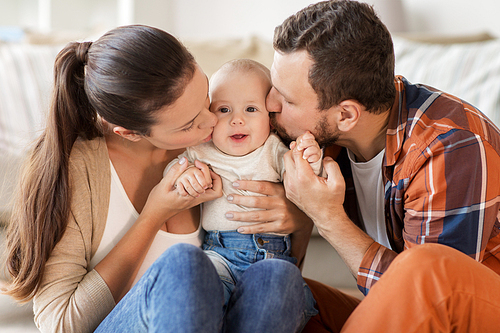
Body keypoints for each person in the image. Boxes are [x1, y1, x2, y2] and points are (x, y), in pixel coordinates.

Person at [2, 25, 316, 333]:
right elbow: (60, 324)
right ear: (130, 133)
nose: (211, 121)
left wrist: (299, 221)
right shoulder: (74, 171)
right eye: (189, 123)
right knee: (185, 265)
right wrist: (154, 215)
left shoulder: (229, 145)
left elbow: (269, 296)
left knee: (278, 276)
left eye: (205, 97)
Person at [264, 0, 500, 332]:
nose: (269, 103)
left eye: (287, 99)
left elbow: (427, 301)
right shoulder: (320, 139)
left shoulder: (450, 147)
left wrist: (326, 216)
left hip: (476, 315)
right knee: (274, 288)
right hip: (401, 309)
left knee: (425, 268)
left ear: (346, 115)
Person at [166, 59, 322, 324]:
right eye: (224, 109)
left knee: (276, 292)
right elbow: (173, 168)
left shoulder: (273, 150)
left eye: (250, 109)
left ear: (271, 120)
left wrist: (310, 157)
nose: (237, 120)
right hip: (219, 254)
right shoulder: (201, 152)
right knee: (200, 290)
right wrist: (187, 175)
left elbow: (303, 180)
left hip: (273, 256)